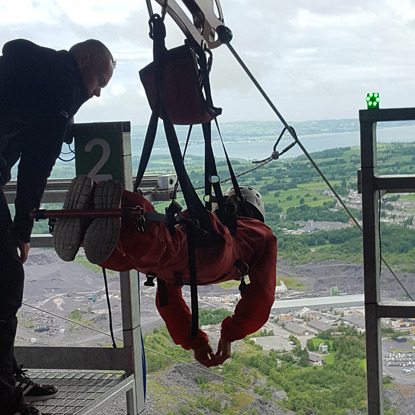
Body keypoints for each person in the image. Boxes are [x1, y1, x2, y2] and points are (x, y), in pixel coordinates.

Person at [0, 39, 115, 415]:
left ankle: (6, 379)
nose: (96, 92)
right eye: (99, 80)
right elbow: (37, 164)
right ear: (82, 60)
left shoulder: (32, 72)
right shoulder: (61, 81)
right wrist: (22, 229)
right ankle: (5, 401)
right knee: (5, 285)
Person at [53, 176, 277, 368]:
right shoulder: (262, 233)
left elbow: (168, 299)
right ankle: (95, 226)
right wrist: (228, 334)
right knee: (147, 254)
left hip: (183, 256)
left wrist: (195, 340)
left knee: (147, 251)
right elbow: (261, 296)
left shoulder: (221, 223)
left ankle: (93, 217)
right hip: (215, 255)